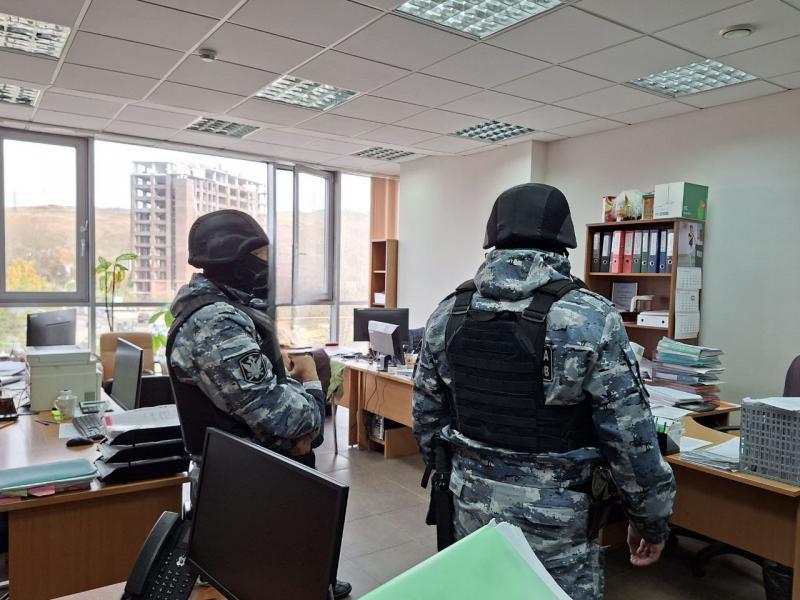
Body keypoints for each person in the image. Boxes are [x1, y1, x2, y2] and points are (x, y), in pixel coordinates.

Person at [413, 183, 676, 599]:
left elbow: (426, 419)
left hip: (469, 507)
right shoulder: (591, 317)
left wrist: (462, 474)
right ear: (564, 239)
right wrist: (650, 520)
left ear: (492, 235)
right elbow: (631, 439)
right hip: (556, 522)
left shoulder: (448, 313)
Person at [167, 209, 351, 599]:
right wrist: (311, 384)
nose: (269, 268)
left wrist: (290, 389)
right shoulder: (215, 322)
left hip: (254, 477)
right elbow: (284, 417)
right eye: (262, 257)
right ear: (235, 259)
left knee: (291, 571)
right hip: (243, 489)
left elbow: (267, 390)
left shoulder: (228, 308)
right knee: (263, 584)